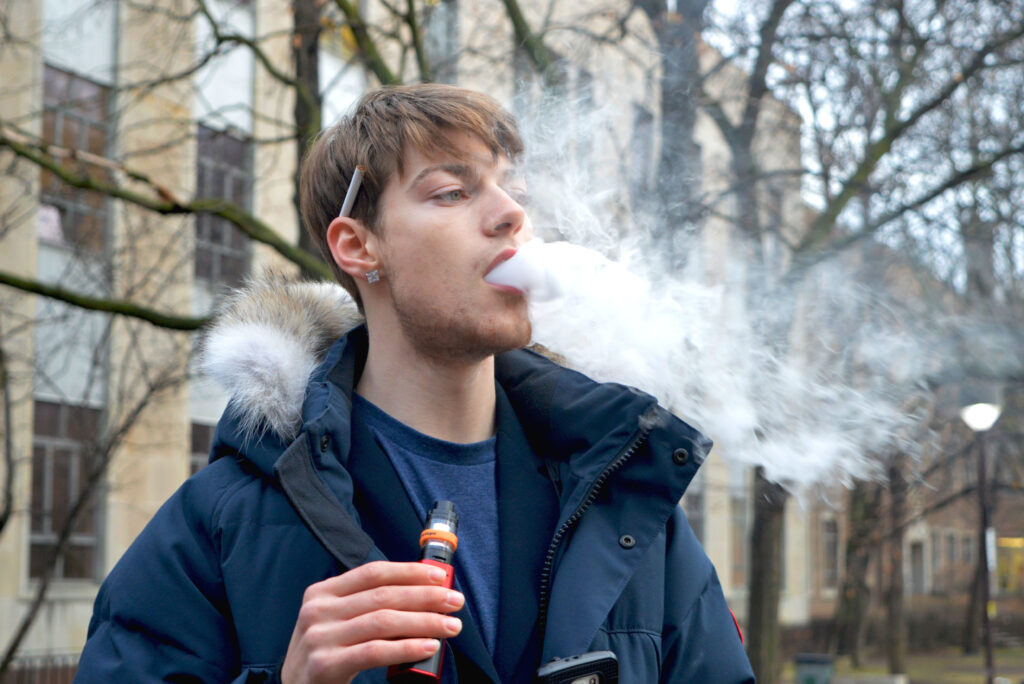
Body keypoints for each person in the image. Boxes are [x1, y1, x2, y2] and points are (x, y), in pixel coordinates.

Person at [75, 84, 754, 683]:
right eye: (452, 192)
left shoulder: (628, 511)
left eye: (514, 193)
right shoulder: (219, 527)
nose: (511, 215)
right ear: (358, 246)